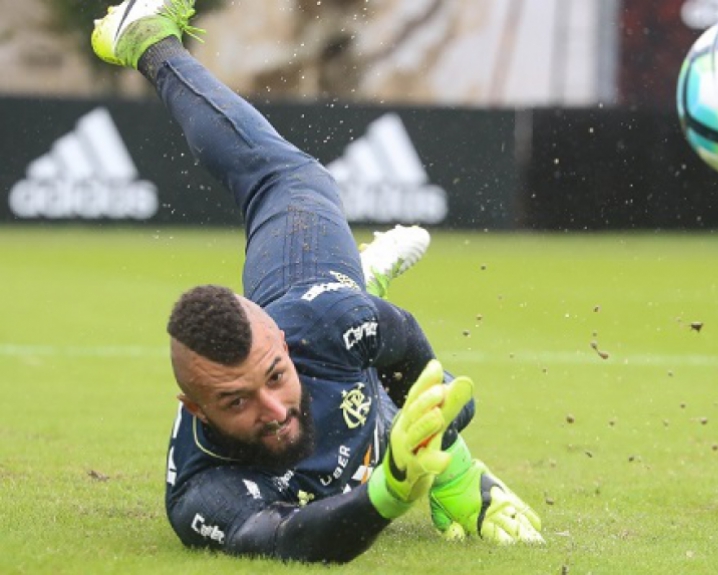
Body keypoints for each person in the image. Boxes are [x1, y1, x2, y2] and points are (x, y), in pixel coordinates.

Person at [92, 0, 543, 564]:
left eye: (274, 376)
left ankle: (149, 41)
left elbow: (401, 340)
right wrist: (389, 491)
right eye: (235, 400)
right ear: (198, 410)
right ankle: (362, 288)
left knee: (292, 180)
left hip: (320, 306)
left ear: (282, 344)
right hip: (352, 391)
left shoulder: (326, 323)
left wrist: (453, 464)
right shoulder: (203, 490)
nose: (273, 408)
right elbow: (289, 539)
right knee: (366, 402)